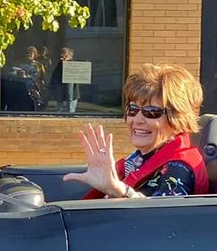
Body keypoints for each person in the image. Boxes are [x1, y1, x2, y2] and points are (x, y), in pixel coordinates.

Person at [64, 64, 209, 198]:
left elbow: (159, 220)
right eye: (133, 110)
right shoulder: (140, 158)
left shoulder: (178, 169)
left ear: (178, 119)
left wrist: (119, 191)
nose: (137, 120)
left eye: (152, 112)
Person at [49, 47, 81, 113]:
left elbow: (78, 75)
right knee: (60, 109)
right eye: (62, 54)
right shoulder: (59, 65)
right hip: (61, 91)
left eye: (66, 55)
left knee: (70, 110)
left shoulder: (74, 65)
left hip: (72, 93)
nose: (63, 57)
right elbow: (55, 76)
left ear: (70, 56)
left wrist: (68, 63)